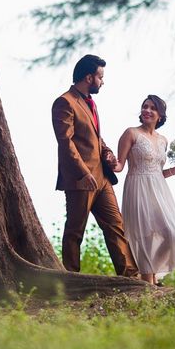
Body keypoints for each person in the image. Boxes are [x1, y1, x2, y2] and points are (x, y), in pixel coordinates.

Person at [52, 54, 139, 277]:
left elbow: (95, 139)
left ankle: (129, 275)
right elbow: (65, 142)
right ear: (89, 77)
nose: (103, 82)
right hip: (81, 180)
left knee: (115, 226)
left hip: (102, 178)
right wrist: (83, 172)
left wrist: (108, 153)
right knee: (75, 231)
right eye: (101, 77)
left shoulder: (91, 103)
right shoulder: (64, 102)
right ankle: (71, 279)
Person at [114, 95, 175, 285]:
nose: (147, 110)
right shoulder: (131, 133)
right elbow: (120, 165)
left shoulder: (163, 140)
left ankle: (150, 274)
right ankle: (149, 287)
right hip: (137, 187)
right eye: (145, 107)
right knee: (144, 239)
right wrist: (109, 161)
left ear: (160, 115)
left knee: (173, 236)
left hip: (160, 190)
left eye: (153, 108)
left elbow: (158, 172)